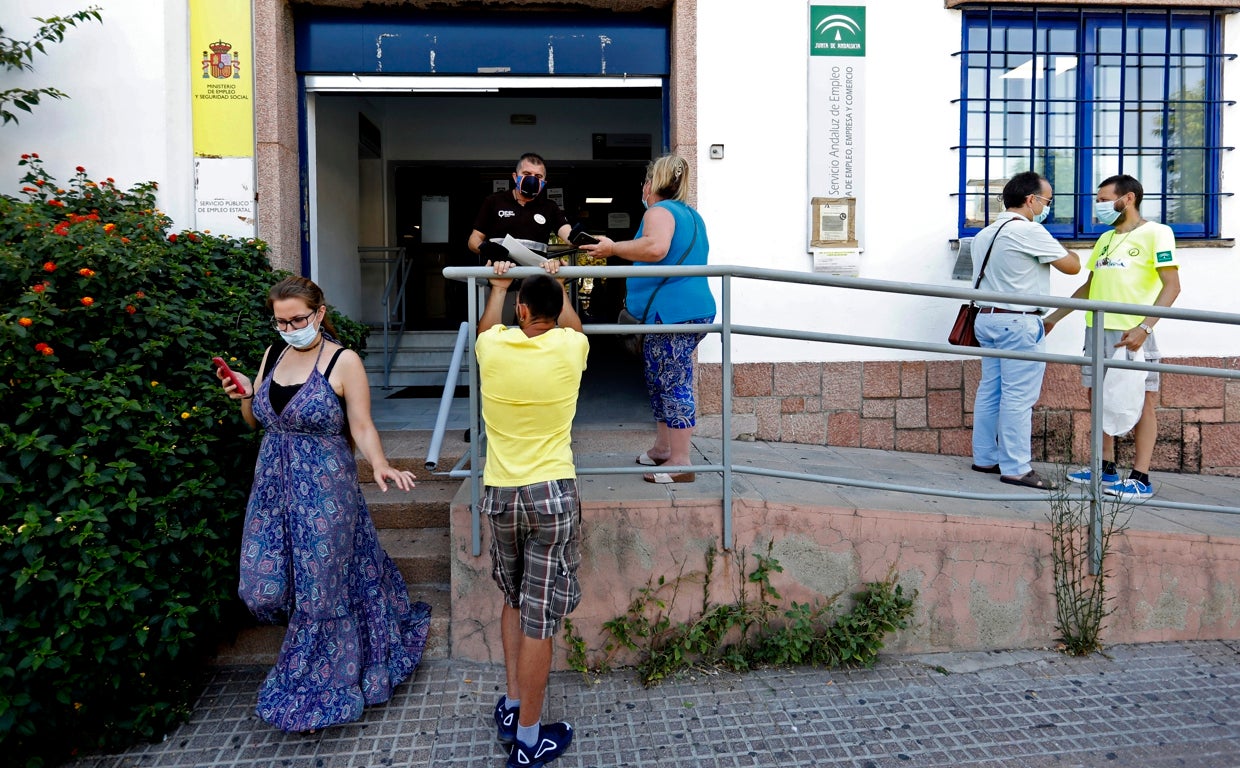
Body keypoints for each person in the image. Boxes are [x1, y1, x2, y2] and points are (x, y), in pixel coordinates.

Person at [217, 276, 431, 732]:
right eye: (281, 321)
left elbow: (363, 424)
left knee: (321, 591)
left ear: (318, 312)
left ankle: (323, 686)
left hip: (325, 494)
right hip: (272, 488)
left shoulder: (342, 361)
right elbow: (256, 419)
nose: (289, 327)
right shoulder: (272, 356)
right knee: (261, 587)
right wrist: (243, 395)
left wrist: (379, 463)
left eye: (297, 318)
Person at [475, 259, 588, 768]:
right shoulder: (571, 349)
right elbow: (574, 325)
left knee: (513, 598)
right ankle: (528, 741)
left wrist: (499, 283)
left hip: (501, 494)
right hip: (551, 495)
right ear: (556, 308)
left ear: (519, 310)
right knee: (541, 620)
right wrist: (559, 280)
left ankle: (514, 703)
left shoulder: (492, 346)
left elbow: (484, 326)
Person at [1044, 174, 1182, 501]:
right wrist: (1054, 318)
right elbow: (1090, 286)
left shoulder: (1157, 233)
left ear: (1129, 198)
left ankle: (1140, 477)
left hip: (1132, 333)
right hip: (1097, 330)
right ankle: (1103, 466)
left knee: (1142, 400)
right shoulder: (1105, 238)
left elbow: (1172, 286)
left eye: (1105, 199)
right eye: (1099, 199)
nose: (1100, 205)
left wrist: (1144, 327)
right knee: (1098, 397)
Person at [580, 154, 715, 484]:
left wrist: (613, 249)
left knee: (672, 381)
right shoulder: (690, 215)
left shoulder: (660, 211)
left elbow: (655, 248)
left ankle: (681, 461)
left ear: (652, 184)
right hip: (684, 311)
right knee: (660, 378)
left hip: (671, 314)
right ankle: (663, 448)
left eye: (646, 180)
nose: (644, 187)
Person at [969, 171, 1081, 491]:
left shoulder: (985, 233)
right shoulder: (1029, 231)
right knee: (1019, 397)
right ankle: (1017, 467)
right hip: (1018, 321)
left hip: (986, 319)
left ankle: (985, 457)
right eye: (1047, 201)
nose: (1047, 207)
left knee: (991, 390)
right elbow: (1072, 266)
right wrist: (1068, 251)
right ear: (1031, 200)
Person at [469, 152, 573, 263]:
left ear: (544, 182)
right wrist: (488, 249)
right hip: (501, 274)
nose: (532, 179)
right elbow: (473, 241)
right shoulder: (494, 201)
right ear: (515, 177)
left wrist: (585, 241)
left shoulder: (549, 207)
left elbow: (570, 236)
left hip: (534, 275)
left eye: (538, 176)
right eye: (526, 174)